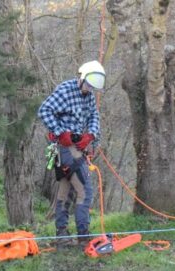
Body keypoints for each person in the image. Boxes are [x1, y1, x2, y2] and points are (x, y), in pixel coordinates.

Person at [37, 60, 105, 247]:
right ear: (81, 78)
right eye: (88, 85)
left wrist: (90, 134)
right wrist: (60, 132)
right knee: (85, 191)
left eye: (93, 88)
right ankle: (83, 236)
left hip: (78, 146)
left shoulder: (89, 96)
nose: (89, 90)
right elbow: (44, 110)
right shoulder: (65, 90)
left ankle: (62, 234)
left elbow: (93, 116)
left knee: (65, 191)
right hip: (64, 147)